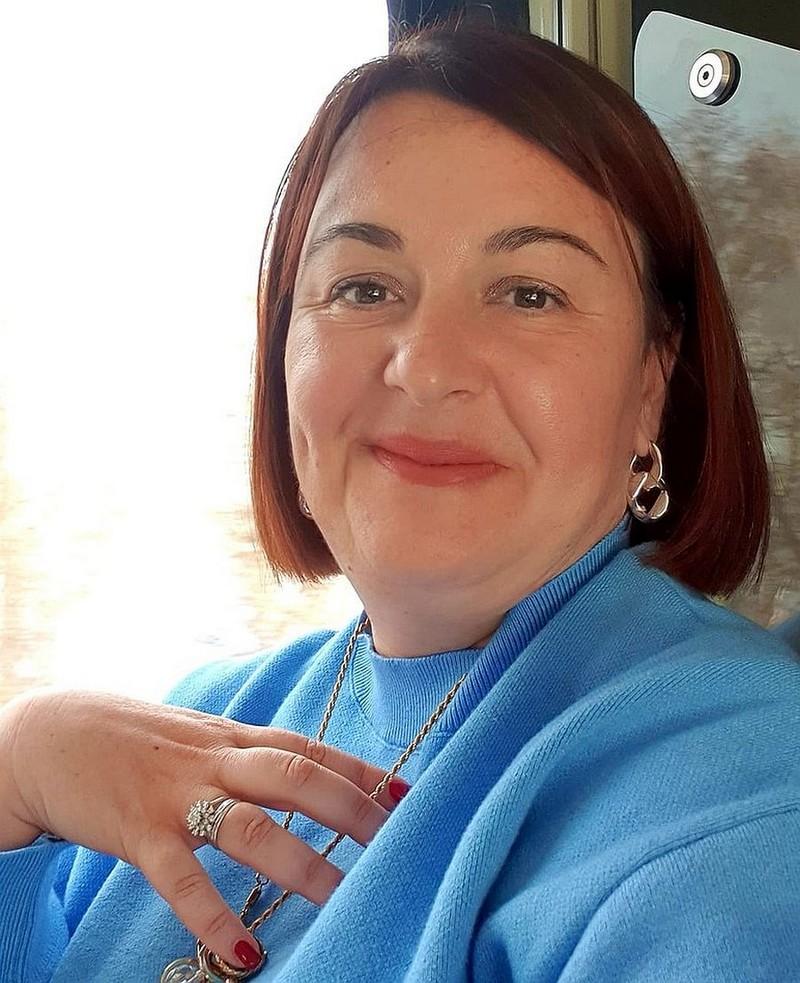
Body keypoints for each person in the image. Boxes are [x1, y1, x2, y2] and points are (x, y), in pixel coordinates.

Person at [1, 16, 798, 983]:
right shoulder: (191, 726)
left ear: (651, 383)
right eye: (365, 287)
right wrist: (16, 772)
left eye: (529, 293)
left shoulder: (737, 805)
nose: (425, 366)